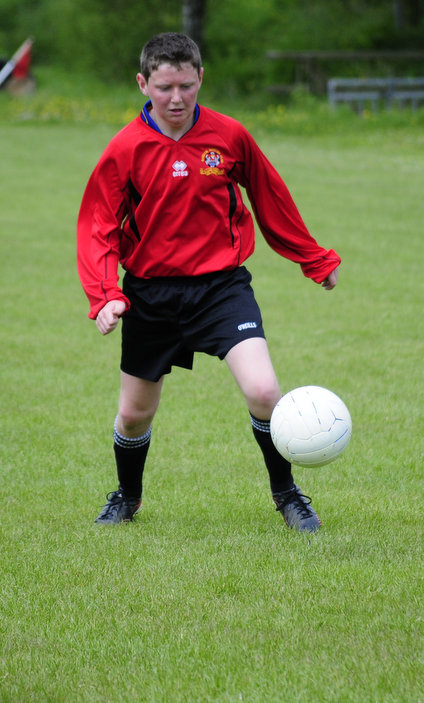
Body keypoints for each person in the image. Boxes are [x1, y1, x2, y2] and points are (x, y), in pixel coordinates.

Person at [76, 33, 340, 533]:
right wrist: (105, 295)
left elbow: (270, 197)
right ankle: (126, 497)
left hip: (221, 288)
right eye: (163, 87)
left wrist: (314, 259)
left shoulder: (229, 136)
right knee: (133, 416)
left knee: (264, 390)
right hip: (150, 295)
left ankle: (288, 497)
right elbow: (98, 225)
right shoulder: (125, 149)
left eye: (186, 86)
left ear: (201, 78)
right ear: (143, 83)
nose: (176, 99)